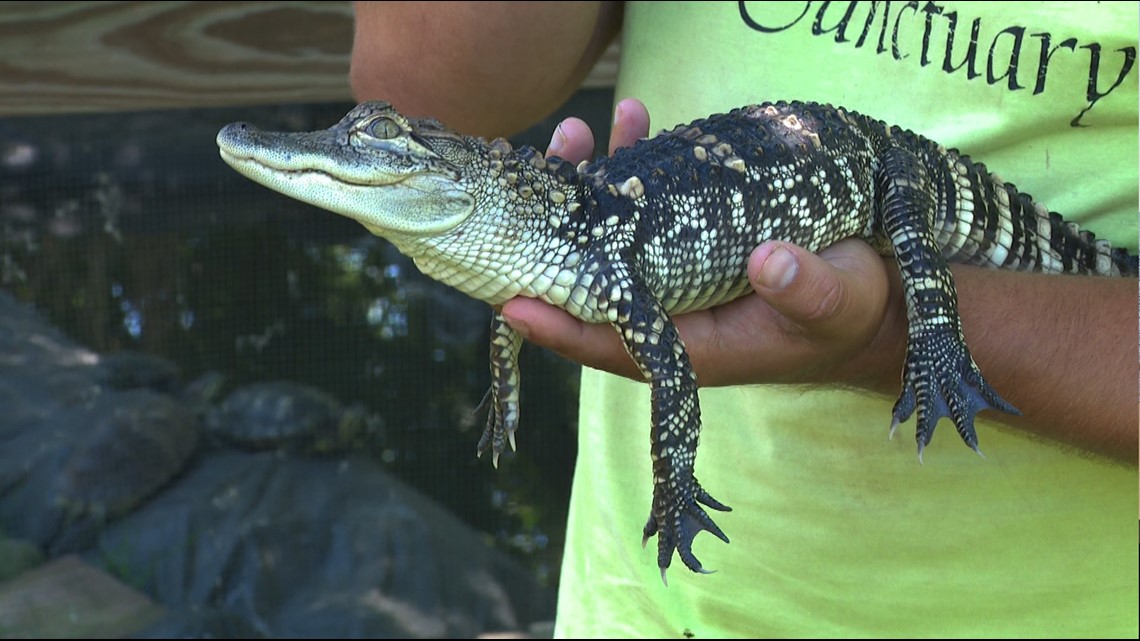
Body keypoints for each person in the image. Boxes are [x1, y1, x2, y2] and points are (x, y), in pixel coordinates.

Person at [351, 2, 1138, 636]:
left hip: (1067, 608)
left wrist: (896, 333)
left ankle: (941, 340)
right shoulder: (546, 243)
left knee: (905, 215)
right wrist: (505, 382)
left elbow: (669, 368)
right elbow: (416, 82)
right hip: (648, 613)